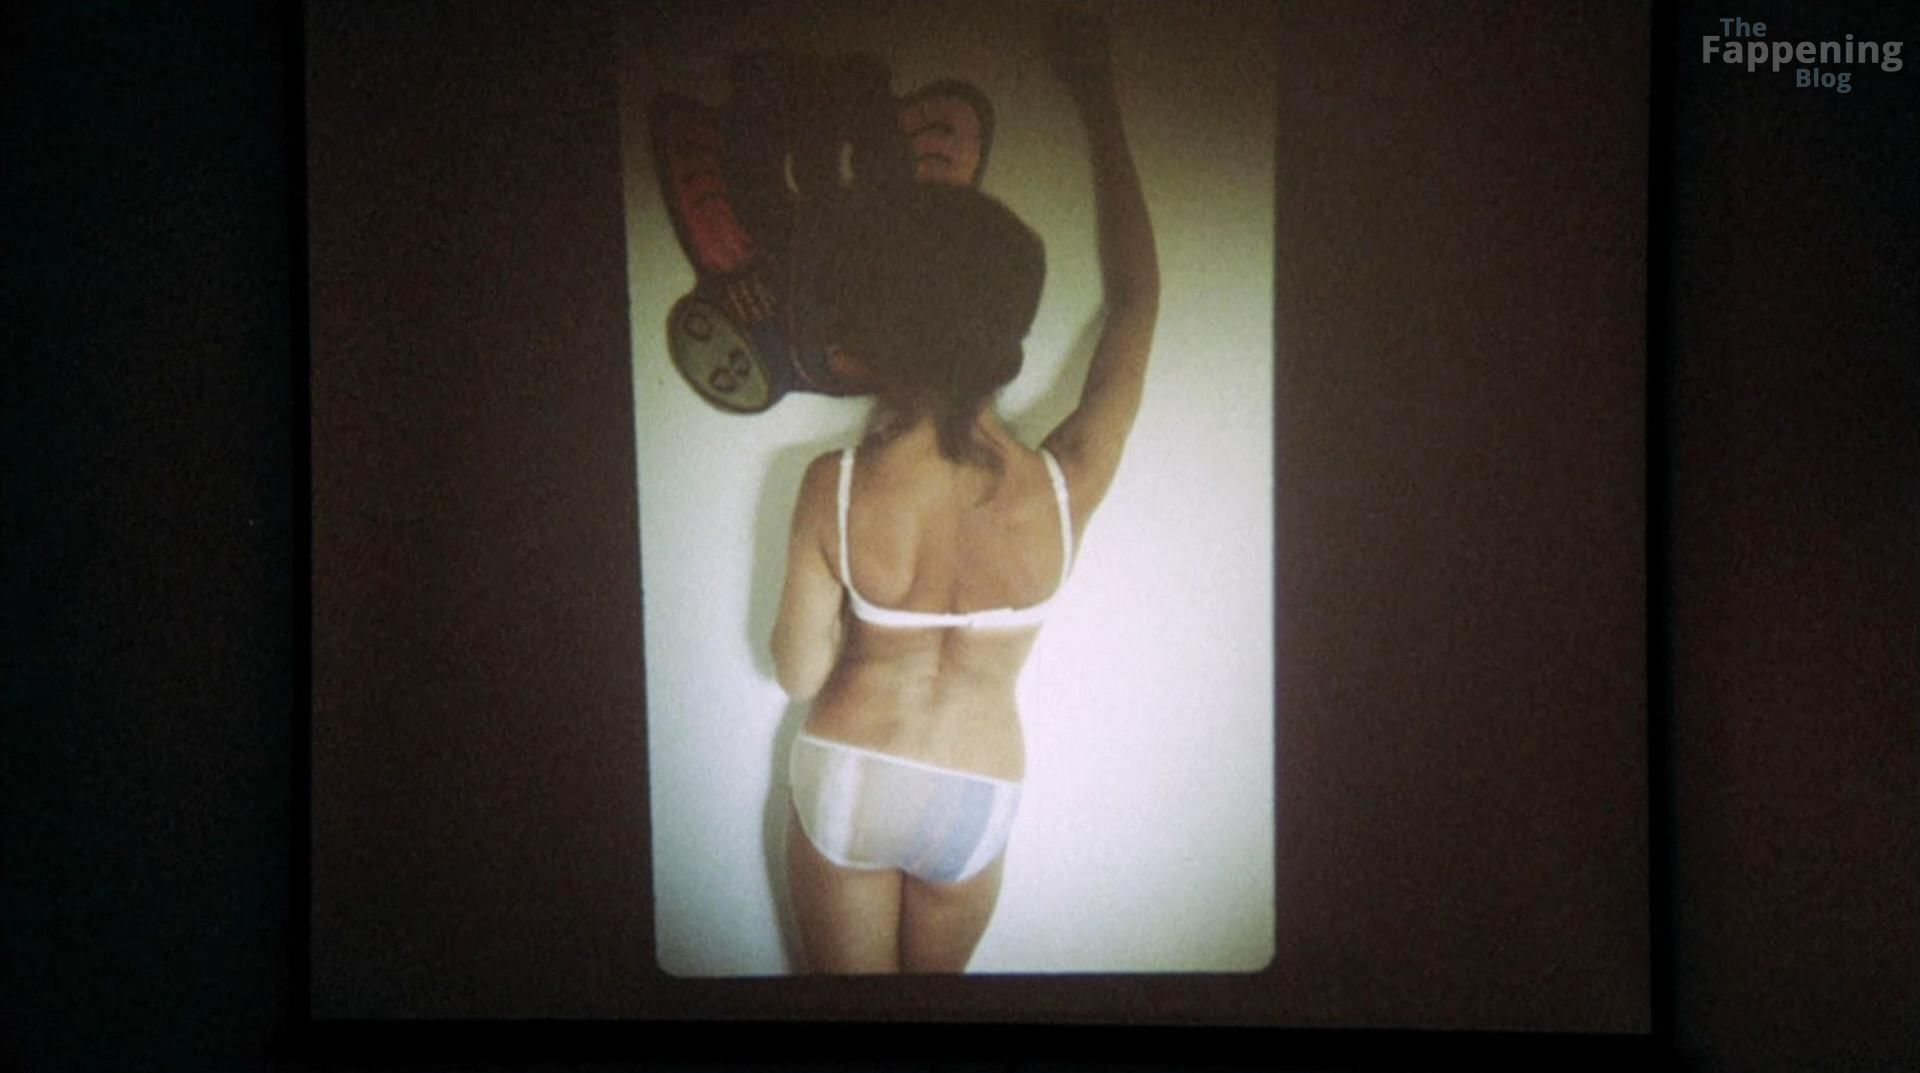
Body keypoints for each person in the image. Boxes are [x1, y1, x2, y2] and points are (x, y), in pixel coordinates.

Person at [770, 14, 1157, 974]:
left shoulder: (837, 487)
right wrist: (1099, 99)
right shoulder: (1068, 481)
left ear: (886, 339)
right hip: (974, 793)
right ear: (1005, 335)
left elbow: (798, 675)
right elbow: (1138, 299)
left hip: (851, 772)